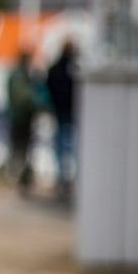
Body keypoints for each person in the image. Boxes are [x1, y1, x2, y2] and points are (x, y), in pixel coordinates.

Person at [46, 40, 77, 199]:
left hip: (60, 110)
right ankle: (70, 177)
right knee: (72, 146)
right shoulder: (74, 70)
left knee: (61, 146)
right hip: (71, 112)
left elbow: (48, 85)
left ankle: (62, 178)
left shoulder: (55, 69)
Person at [5, 50, 38, 194]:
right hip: (21, 116)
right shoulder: (21, 76)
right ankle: (19, 175)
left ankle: (19, 175)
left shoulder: (18, 74)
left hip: (17, 116)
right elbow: (23, 97)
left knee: (19, 147)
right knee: (21, 148)